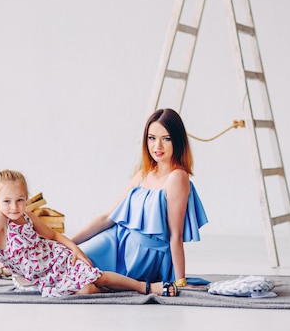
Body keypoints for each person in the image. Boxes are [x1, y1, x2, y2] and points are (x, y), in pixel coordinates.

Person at [0, 169, 178, 298]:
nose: (14, 207)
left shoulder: (28, 215)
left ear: (26, 198)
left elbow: (54, 236)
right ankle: (115, 289)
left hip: (55, 258)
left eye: (20, 200)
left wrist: (76, 251)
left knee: (98, 276)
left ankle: (147, 288)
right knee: (87, 290)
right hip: (42, 276)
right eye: (7, 201)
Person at [71, 108, 208, 289]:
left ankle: (106, 285)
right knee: (69, 261)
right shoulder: (143, 174)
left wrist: (180, 281)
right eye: (152, 138)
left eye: (165, 139)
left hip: (144, 255)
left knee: (81, 279)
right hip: (115, 240)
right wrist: (68, 243)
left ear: (177, 141)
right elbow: (107, 217)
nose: (157, 146)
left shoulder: (177, 177)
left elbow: (176, 235)